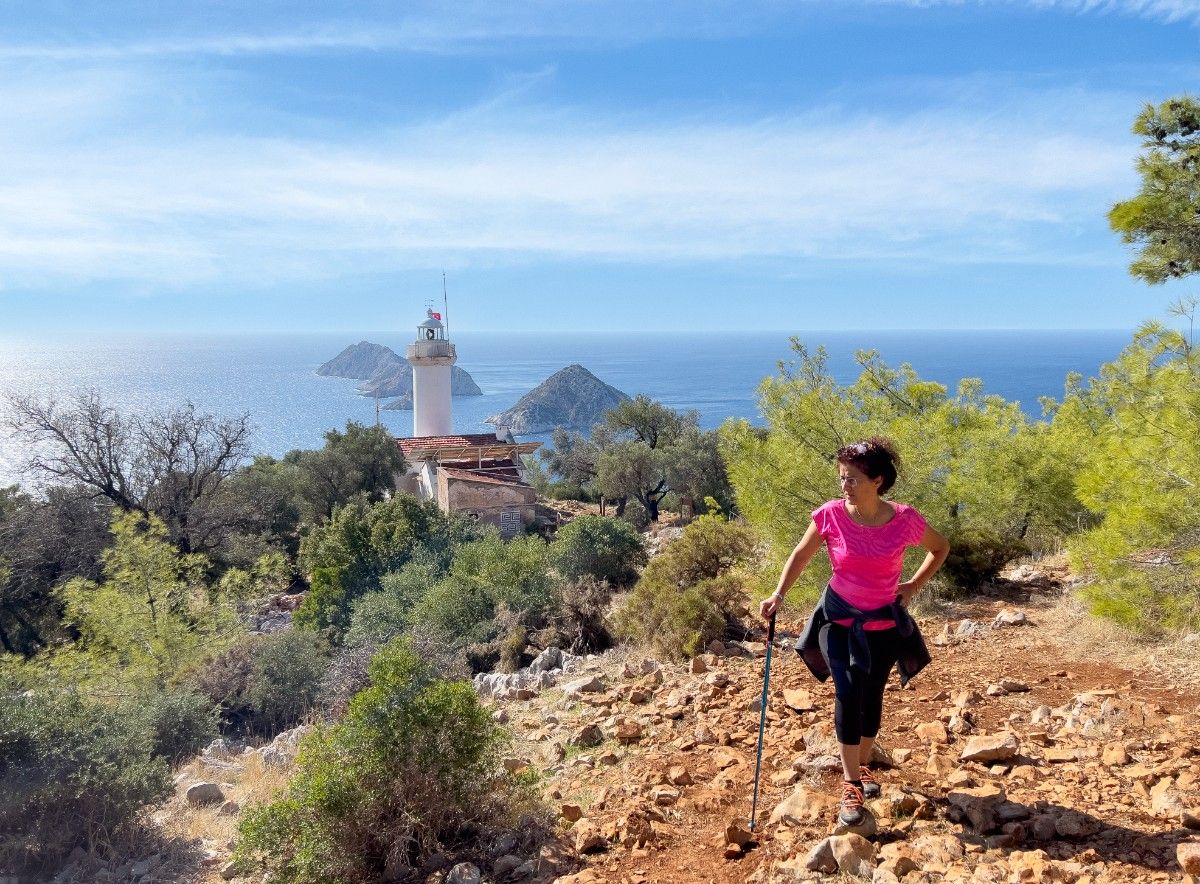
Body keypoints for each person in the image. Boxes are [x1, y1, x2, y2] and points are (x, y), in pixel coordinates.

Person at [759, 437, 950, 827]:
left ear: (877, 480)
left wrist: (913, 585)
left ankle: (862, 767)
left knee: (872, 695)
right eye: (841, 477)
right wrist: (779, 593)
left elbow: (940, 547)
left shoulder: (905, 520)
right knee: (847, 691)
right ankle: (851, 785)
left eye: (852, 479)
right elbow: (800, 554)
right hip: (838, 619)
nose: (843, 486)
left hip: (882, 623)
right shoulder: (830, 515)